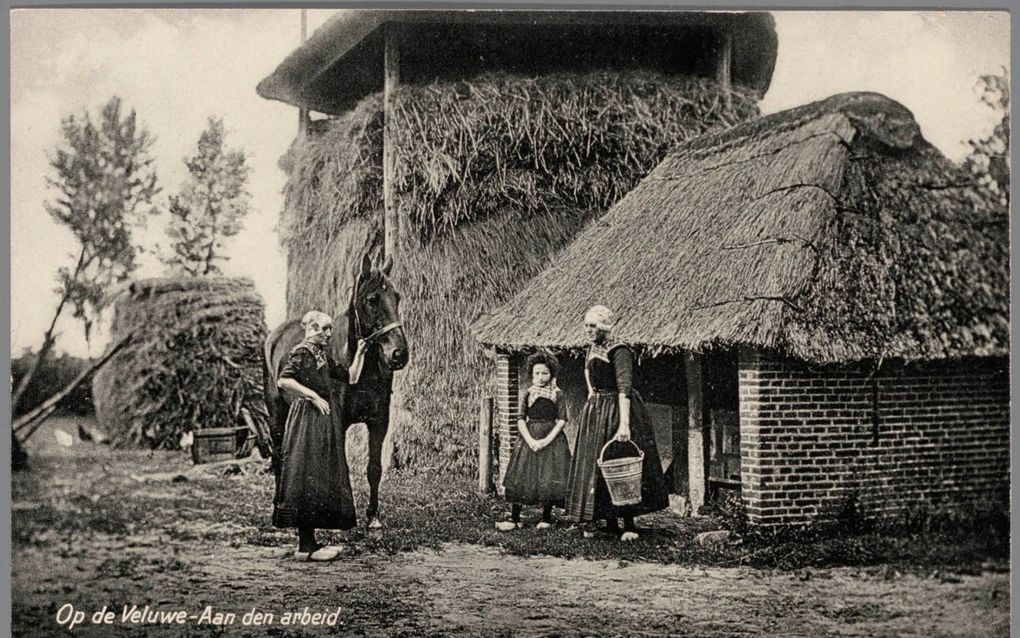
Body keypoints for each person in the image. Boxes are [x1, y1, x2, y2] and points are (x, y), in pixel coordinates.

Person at [565, 305, 669, 541]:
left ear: (604, 327)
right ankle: (609, 520)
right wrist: (592, 395)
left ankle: (628, 523)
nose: (588, 330)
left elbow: (624, 388)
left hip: (617, 410)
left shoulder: (619, 350)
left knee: (621, 461)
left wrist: (624, 424)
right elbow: (587, 372)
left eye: (593, 326)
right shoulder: (592, 348)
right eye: (586, 325)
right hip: (597, 410)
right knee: (598, 464)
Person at [273, 310, 369, 561]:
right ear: (312, 328)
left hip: (321, 421)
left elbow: (351, 377)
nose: (329, 334)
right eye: (325, 329)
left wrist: (359, 353)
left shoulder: (321, 355)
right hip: (307, 420)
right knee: (306, 473)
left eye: (329, 329)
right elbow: (284, 381)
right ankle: (305, 547)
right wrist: (313, 396)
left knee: (317, 474)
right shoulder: (302, 352)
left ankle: (310, 544)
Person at [497, 351, 572, 531]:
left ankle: (546, 517)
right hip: (528, 437)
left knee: (549, 475)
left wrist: (546, 441)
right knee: (521, 475)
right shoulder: (528, 393)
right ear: (532, 374)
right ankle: (514, 517)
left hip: (551, 440)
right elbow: (521, 418)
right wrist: (529, 440)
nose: (540, 377)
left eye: (544, 373)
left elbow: (562, 420)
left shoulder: (557, 394)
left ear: (551, 374)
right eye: (537, 373)